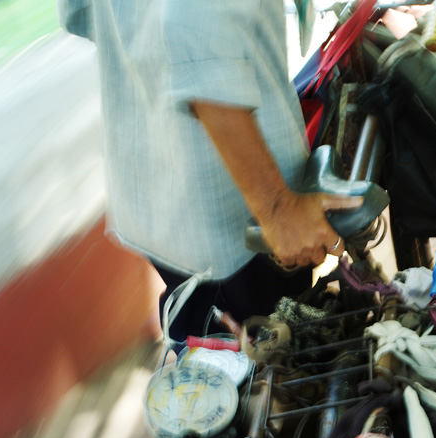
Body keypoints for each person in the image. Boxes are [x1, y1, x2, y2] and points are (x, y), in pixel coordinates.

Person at [57, 0, 361, 339]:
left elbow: (78, 13)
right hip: (233, 216)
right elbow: (193, 30)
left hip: (155, 191)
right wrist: (277, 209)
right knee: (275, 363)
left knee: (210, 346)